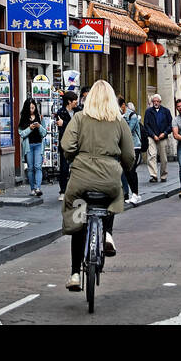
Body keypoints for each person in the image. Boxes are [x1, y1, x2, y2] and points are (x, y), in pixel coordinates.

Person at [61, 80, 136, 291]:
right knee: (113, 196)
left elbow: (67, 145)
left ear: (89, 98)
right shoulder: (118, 121)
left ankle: (75, 273)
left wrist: (73, 159)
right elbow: (129, 154)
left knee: (77, 219)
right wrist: (124, 165)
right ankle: (108, 234)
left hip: (81, 179)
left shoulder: (79, 118)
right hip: (109, 178)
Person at [18, 97, 46, 197]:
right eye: (30, 108)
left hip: (38, 144)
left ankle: (38, 188)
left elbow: (44, 133)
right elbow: (21, 134)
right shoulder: (23, 119)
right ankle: (32, 189)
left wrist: (39, 126)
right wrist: (30, 128)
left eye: (33, 108)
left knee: (38, 167)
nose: (31, 110)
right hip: (28, 146)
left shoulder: (40, 117)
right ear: (26, 108)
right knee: (30, 168)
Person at [141, 94, 173, 183]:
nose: (155, 103)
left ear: (160, 102)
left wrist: (165, 133)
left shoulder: (166, 111)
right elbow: (146, 125)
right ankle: (153, 175)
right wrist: (153, 135)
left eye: (157, 101)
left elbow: (170, 125)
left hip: (162, 136)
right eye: (154, 101)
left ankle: (163, 175)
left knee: (163, 158)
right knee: (152, 155)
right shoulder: (148, 111)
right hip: (152, 136)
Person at [119, 98, 142, 204]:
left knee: (132, 170)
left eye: (119, 106)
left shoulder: (132, 116)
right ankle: (134, 194)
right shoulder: (119, 116)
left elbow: (128, 130)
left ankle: (136, 194)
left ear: (123, 105)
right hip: (125, 147)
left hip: (134, 146)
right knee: (127, 171)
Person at [55, 91, 78, 193]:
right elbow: (62, 130)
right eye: (74, 100)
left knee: (77, 168)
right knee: (64, 168)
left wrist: (64, 123)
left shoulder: (78, 111)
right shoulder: (61, 112)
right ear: (69, 101)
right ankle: (63, 190)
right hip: (65, 143)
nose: (76, 102)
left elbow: (78, 127)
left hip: (78, 143)